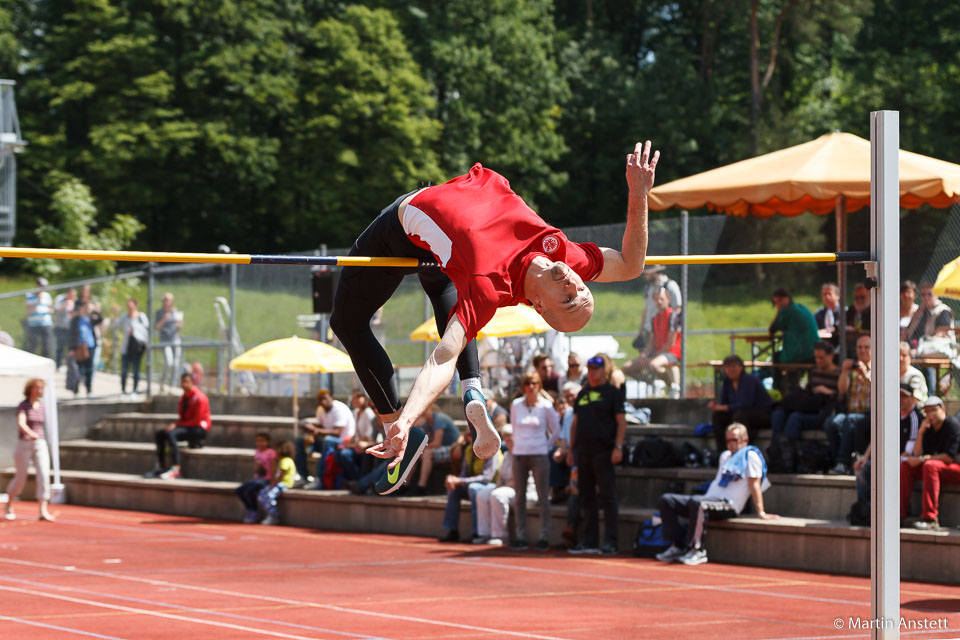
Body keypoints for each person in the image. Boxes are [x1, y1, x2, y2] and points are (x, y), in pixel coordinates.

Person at [329, 141, 660, 496]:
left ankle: (392, 424)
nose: (573, 286)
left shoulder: (489, 287)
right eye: (582, 292)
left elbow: (443, 355)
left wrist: (406, 419)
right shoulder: (568, 257)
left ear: (540, 307)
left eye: (567, 300)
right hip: (447, 234)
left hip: (406, 222)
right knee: (444, 283)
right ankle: (473, 389)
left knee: (346, 323)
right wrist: (639, 194)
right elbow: (630, 264)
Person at [656, 423, 778, 566]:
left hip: (729, 504)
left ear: (745, 440)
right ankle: (676, 546)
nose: (731, 444)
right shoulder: (725, 456)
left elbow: (755, 485)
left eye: (735, 440)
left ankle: (697, 550)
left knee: (698, 503)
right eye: (728, 441)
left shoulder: (751, 456)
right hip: (709, 499)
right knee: (667, 500)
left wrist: (761, 512)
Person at [566, 354, 626, 555]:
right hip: (583, 452)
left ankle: (611, 541)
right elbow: (575, 424)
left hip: (604, 451)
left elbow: (621, 422)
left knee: (608, 497)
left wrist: (618, 447)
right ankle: (589, 540)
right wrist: (570, 450)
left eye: (596, 368)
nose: (592, 372)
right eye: (590, 368)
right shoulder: (582, 394)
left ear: (604, 370)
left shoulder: (612, 393)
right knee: (586, 497)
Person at [852, 383, 924, 517]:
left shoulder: (915, 417)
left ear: (913, 399)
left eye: (904, 396)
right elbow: (877, 438)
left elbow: (909, 450)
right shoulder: (891, 414)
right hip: (889, 459)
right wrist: (866, 457)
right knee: (861, 468)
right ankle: (867, 509)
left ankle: (894, 511)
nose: (901, 399)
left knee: (893, 468)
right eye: (898, 396)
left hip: (905, 459)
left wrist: (894, 459)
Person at [510, 371, 560, 550]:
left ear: (539, 386)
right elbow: (514, 426)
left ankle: (544, 536)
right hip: (520, 453)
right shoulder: (516, 405)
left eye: (534, 384)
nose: (531, 387)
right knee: (519, 497)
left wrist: (546, 446)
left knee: (543, 496)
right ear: (524, 386)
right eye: (527, 384)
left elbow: (555, 429)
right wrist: (518, 444)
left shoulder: (546, 406)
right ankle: (520, 535)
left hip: (539, 454)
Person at [900, 396, 960, 530]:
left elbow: (949, 457)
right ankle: (900, 515)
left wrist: (923, 459)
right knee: (906, 466)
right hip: (934, 468)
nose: (930, 415)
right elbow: (917, 453)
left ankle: (930, 518)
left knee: (930, 465)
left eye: (933, 410)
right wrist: (921, 432)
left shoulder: (952, 425)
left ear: (943, 409)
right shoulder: (927, 427)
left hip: (954, 468)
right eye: (926, 411)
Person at [436, 430, 503, 543]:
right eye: (469, 435)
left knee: (474, 488)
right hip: (474, 484)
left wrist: (460, 480)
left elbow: (487, 478)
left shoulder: (492, 450)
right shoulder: (468, 450)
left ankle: (476, 533)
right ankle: (452, 531)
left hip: (492, 486)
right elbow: (464, 474)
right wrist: (454, 480)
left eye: (475, 434)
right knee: (454, 489)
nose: (471, 437)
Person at [3, 379, 55, 521]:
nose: (39, 390)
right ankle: (9, 504)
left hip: (40, 443)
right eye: (37, 388)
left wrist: (39, 437)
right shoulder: (23, 405)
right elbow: (21, 422)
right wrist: (30, 433)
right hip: (24, 443)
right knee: (20, 477)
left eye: (41, 388)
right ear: (30, 389)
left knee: (44, 474)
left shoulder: (43, 406)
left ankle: (42, 509)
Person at [770, 341, 840, 442]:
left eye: (821, 358)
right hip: (809, 407)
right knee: (778, 414)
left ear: (831, 356)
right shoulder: (814, 372)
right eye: (816, 358)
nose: (818, 361)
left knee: (795, 418)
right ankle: (776, 447)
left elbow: (843, 396)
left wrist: (828, 392)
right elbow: (807, 392)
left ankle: (788, 450)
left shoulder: (839, 374)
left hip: (823, 412)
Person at [147, 373, 211, 479]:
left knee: (172, 434)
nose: (184, 384)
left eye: (187, 382)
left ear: (192, 383)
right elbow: (182, 418)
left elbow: (196, 420)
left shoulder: (200, 398)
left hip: (199, 429)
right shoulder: (183, 398)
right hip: (187, 426)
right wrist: (174, 424)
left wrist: (177, 426)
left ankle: (176, 469)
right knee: (160, 434)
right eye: (183, 382)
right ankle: (161, 466)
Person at [707, 354, 772, 454]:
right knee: (718, 416)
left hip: (762, 414)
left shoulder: (749, 380)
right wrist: (715, 405)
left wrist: (723, 407)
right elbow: (723, 402)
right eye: (727, 367)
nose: (730, 369)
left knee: (740, 415)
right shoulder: (727, 382)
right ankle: (723, 452)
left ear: (741, 367)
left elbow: (746, 404)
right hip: (739, 413)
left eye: (733, 366)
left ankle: (744, 450)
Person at [475, 425, 528, 545]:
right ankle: (484, 533)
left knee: (497, 495)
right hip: (507, 489)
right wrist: (498, 487)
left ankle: (500, 535)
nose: (507, 439)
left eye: (510, 436)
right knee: (482, 494)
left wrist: (500, 489)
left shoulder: (523, 454)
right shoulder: (507, 455)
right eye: (505, 437)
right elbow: (501, 478)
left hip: (521, 491)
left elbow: (519, 480)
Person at [825, 335, 871, 475]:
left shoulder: (878, 368)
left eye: (866, 347)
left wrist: (865, 375)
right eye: (859, 347)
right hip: (850, 413)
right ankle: (838, 461)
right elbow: (842, 389)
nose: (862, 351)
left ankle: (843, 462)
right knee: (831, 423)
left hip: (869, 414)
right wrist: (845, 371)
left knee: (850, 420)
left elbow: (880, 393)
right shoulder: (851, 369)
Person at [623, 286, 681, 397]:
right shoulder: (655, 318)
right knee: (627, 367)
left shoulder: (674, 316)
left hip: (672, 353)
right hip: (658, 354)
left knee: (653, 364)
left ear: (668, 300)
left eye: (662, 299)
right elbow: (652, 341)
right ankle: (655, 383)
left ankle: (672, 386)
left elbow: (671, 343)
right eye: (656, 299)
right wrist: (645, 355)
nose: (659, 301)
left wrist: (653, 357)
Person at [300, 390, 356, 489]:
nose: (323, 401)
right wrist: (310, 430)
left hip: (344, 441)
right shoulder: (320, 409)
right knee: (299, 441)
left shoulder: (339, 409)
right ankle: (303, 476)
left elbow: (337, 433)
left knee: (328, 440)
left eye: (325, 398)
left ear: (331, 398)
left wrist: (315, 429)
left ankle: (320, 479)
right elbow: (320, 426)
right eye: (320, 399)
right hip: (328, 440)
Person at [769, 288, 819, 391]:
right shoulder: (802, 307)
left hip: (800, 354)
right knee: (779, 357)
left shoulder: (787, 310)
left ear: (786, 299)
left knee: (776, 358)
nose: (778, 305)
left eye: (778, 302)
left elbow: (772, 329)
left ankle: (778, 390)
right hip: (814, 352)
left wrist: (778, 311)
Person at [408, 404, 462, 496]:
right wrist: (416, 425)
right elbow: (420, 441)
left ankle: (421, 487)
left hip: (453, 448)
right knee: (416, 452)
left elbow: (437, 443)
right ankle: (405, 485)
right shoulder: (427, 422)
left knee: (427, 453)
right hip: (442, 448)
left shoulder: (439, 419)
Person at [636, 265, 682, 350]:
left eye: (647, 273)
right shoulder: (650, 287)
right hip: (649, 328)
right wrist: (641, 330)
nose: (645, 276)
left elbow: (677, 310)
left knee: (658, 358)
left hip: (664, 331)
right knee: (645, 359)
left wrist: (671, 331)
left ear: (654, 272)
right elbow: (646, 310)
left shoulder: (670, 285)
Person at [236, 432, 277, 523]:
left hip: (267, 479)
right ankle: (251, 509)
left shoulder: (271, 453)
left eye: (262, 441)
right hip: (258, 478)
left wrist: (273, 481)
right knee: (239, 490)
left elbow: (273, 468)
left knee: (249, 491)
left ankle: (254, 511)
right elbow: (257, 467)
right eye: (257, 441)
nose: (260, 443)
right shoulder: (257, 452)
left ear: (268, 442)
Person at [115, 297, 149, 397]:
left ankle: (134, 390)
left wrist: (135, 332)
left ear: (135, 305)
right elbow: (115, 326)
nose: (129, 307)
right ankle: (123, 391)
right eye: (127, 305)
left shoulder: (141, 317)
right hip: (126, 347)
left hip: (137, 348)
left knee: (136, 370)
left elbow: (146, 331)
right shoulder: (124, 317)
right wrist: (116, 314)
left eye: (130, 304)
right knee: (124, 370)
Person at [258, 440, 297, 526]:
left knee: (269, 496)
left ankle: (273, 516)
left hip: (284, 484)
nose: (274, 452)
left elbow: (281, 475)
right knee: (262, 494)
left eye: (275, 450)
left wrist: (275, 482)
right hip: (280, 483)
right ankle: (270, 514)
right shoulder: (283, 460)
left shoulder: (285, 460)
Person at [154, 292, 183, 393]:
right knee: (169, 362)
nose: (167, 302)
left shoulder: (175, 311)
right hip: (165, 340)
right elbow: (157, 327)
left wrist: (179, 324)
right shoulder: (159, 312)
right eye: (166, 300)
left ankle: (172, 385)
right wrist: (165, 318)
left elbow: (179, 326)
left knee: (176, 363)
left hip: (175, 339)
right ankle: (162, 382)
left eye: (169, 300)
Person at [69, 301, 97, 396]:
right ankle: (76, 390)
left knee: (89, 369)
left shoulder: (90, 318)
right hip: (79, 347)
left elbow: (100, 319)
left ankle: (89, 390)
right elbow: (71, 334)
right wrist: (71, 348)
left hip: (90, 346)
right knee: (78, 369)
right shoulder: (75, 320)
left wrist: (93, 310)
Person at [24, 277, 54, 358]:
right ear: (37, 285)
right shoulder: (29, 295)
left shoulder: (47, 295)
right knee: (33, 346)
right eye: (41, 285)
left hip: (46, 323)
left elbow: (51, 309)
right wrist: (38, 301)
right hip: (34, 324)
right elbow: (28, 310)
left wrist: (47, 310)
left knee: (46, 345)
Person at [52, 287, 76, 369]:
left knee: (70, 348)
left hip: (70, 329)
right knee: (60, 347)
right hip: (61, 327)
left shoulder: (75, 302)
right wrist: (64, 304)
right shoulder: (61, 299)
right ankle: (58, 365)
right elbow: (54, 310)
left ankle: (69, 365)